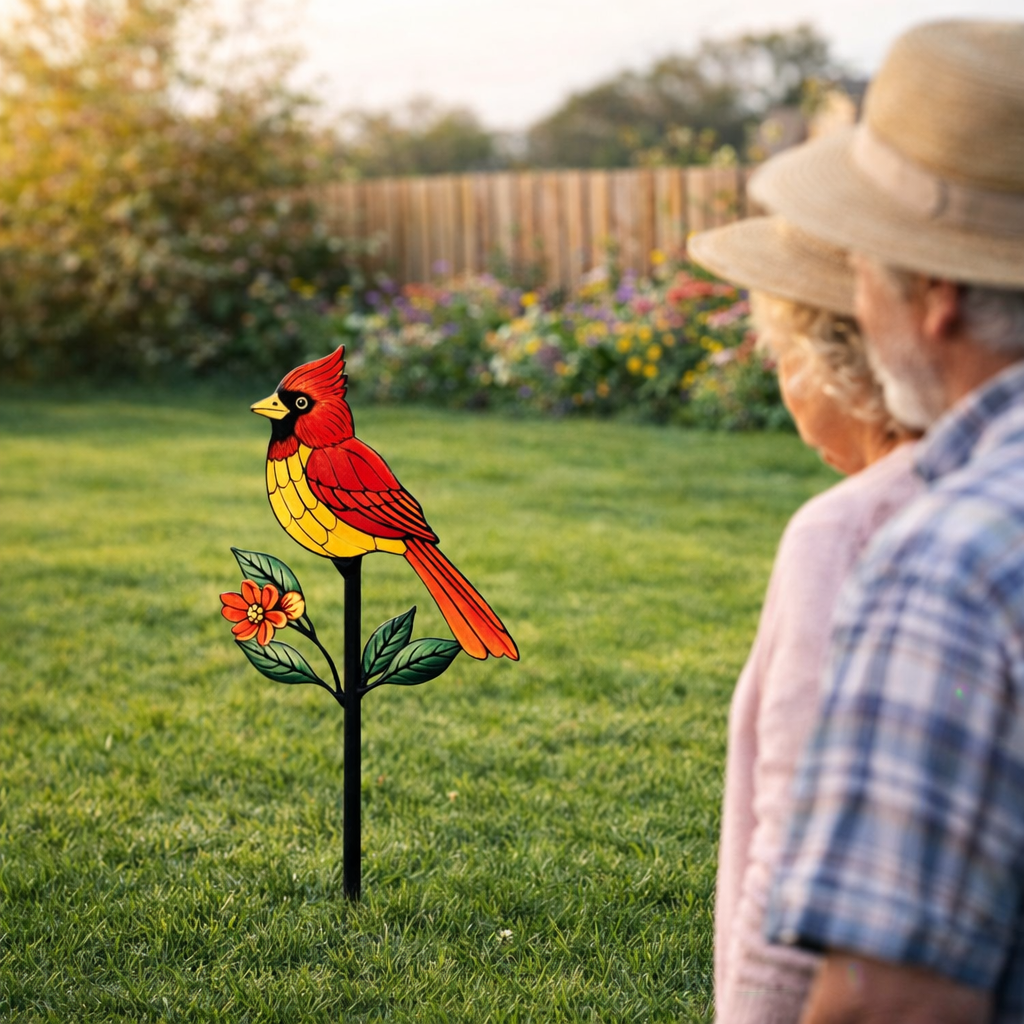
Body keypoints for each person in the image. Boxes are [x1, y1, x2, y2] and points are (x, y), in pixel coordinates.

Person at [745, 19, 1024, 1023]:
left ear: (936, 294)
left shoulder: (951, 558)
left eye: (863, 266)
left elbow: (891, 1003)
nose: (855, 304)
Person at [687, 216, 920, 1023]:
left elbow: (797, 834)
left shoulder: (842, 531)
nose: (784, 387)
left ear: (842, 367)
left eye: (784, 359)